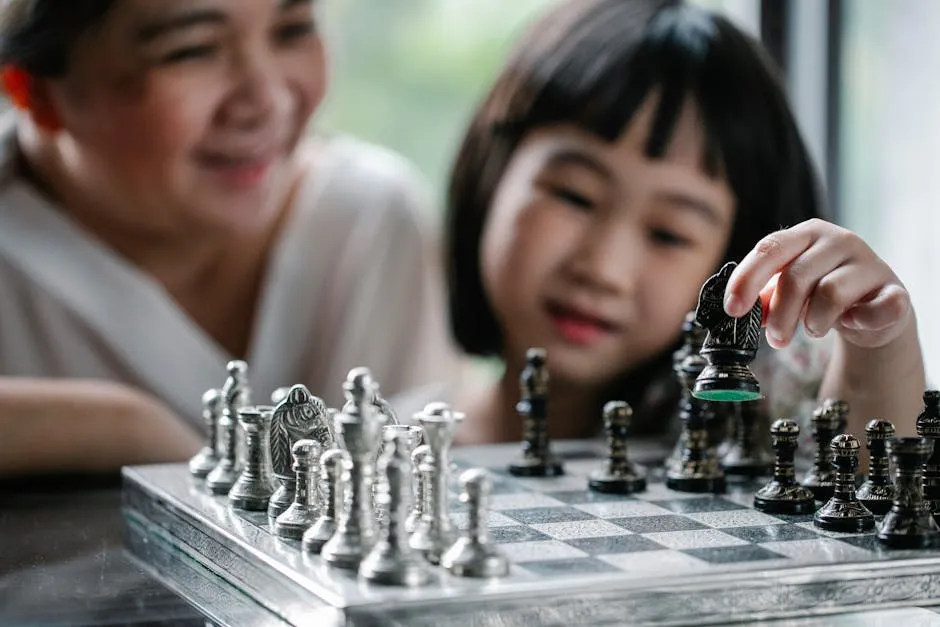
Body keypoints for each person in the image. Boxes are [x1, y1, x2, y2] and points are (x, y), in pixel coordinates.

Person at [444, 0, 925, 455]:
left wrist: (875, 349)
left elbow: (869, 473)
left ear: (731, 260)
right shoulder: (400, 436)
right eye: (576, 196)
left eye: (669, 233)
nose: (604, 268)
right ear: (492, 173)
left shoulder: (745, 422)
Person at [0, 0, 459, 476]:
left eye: (293, 30)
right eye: (192, 51)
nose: (267, 102)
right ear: (35, 93)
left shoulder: (366, 222)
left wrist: (145, 440)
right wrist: (116, 428)